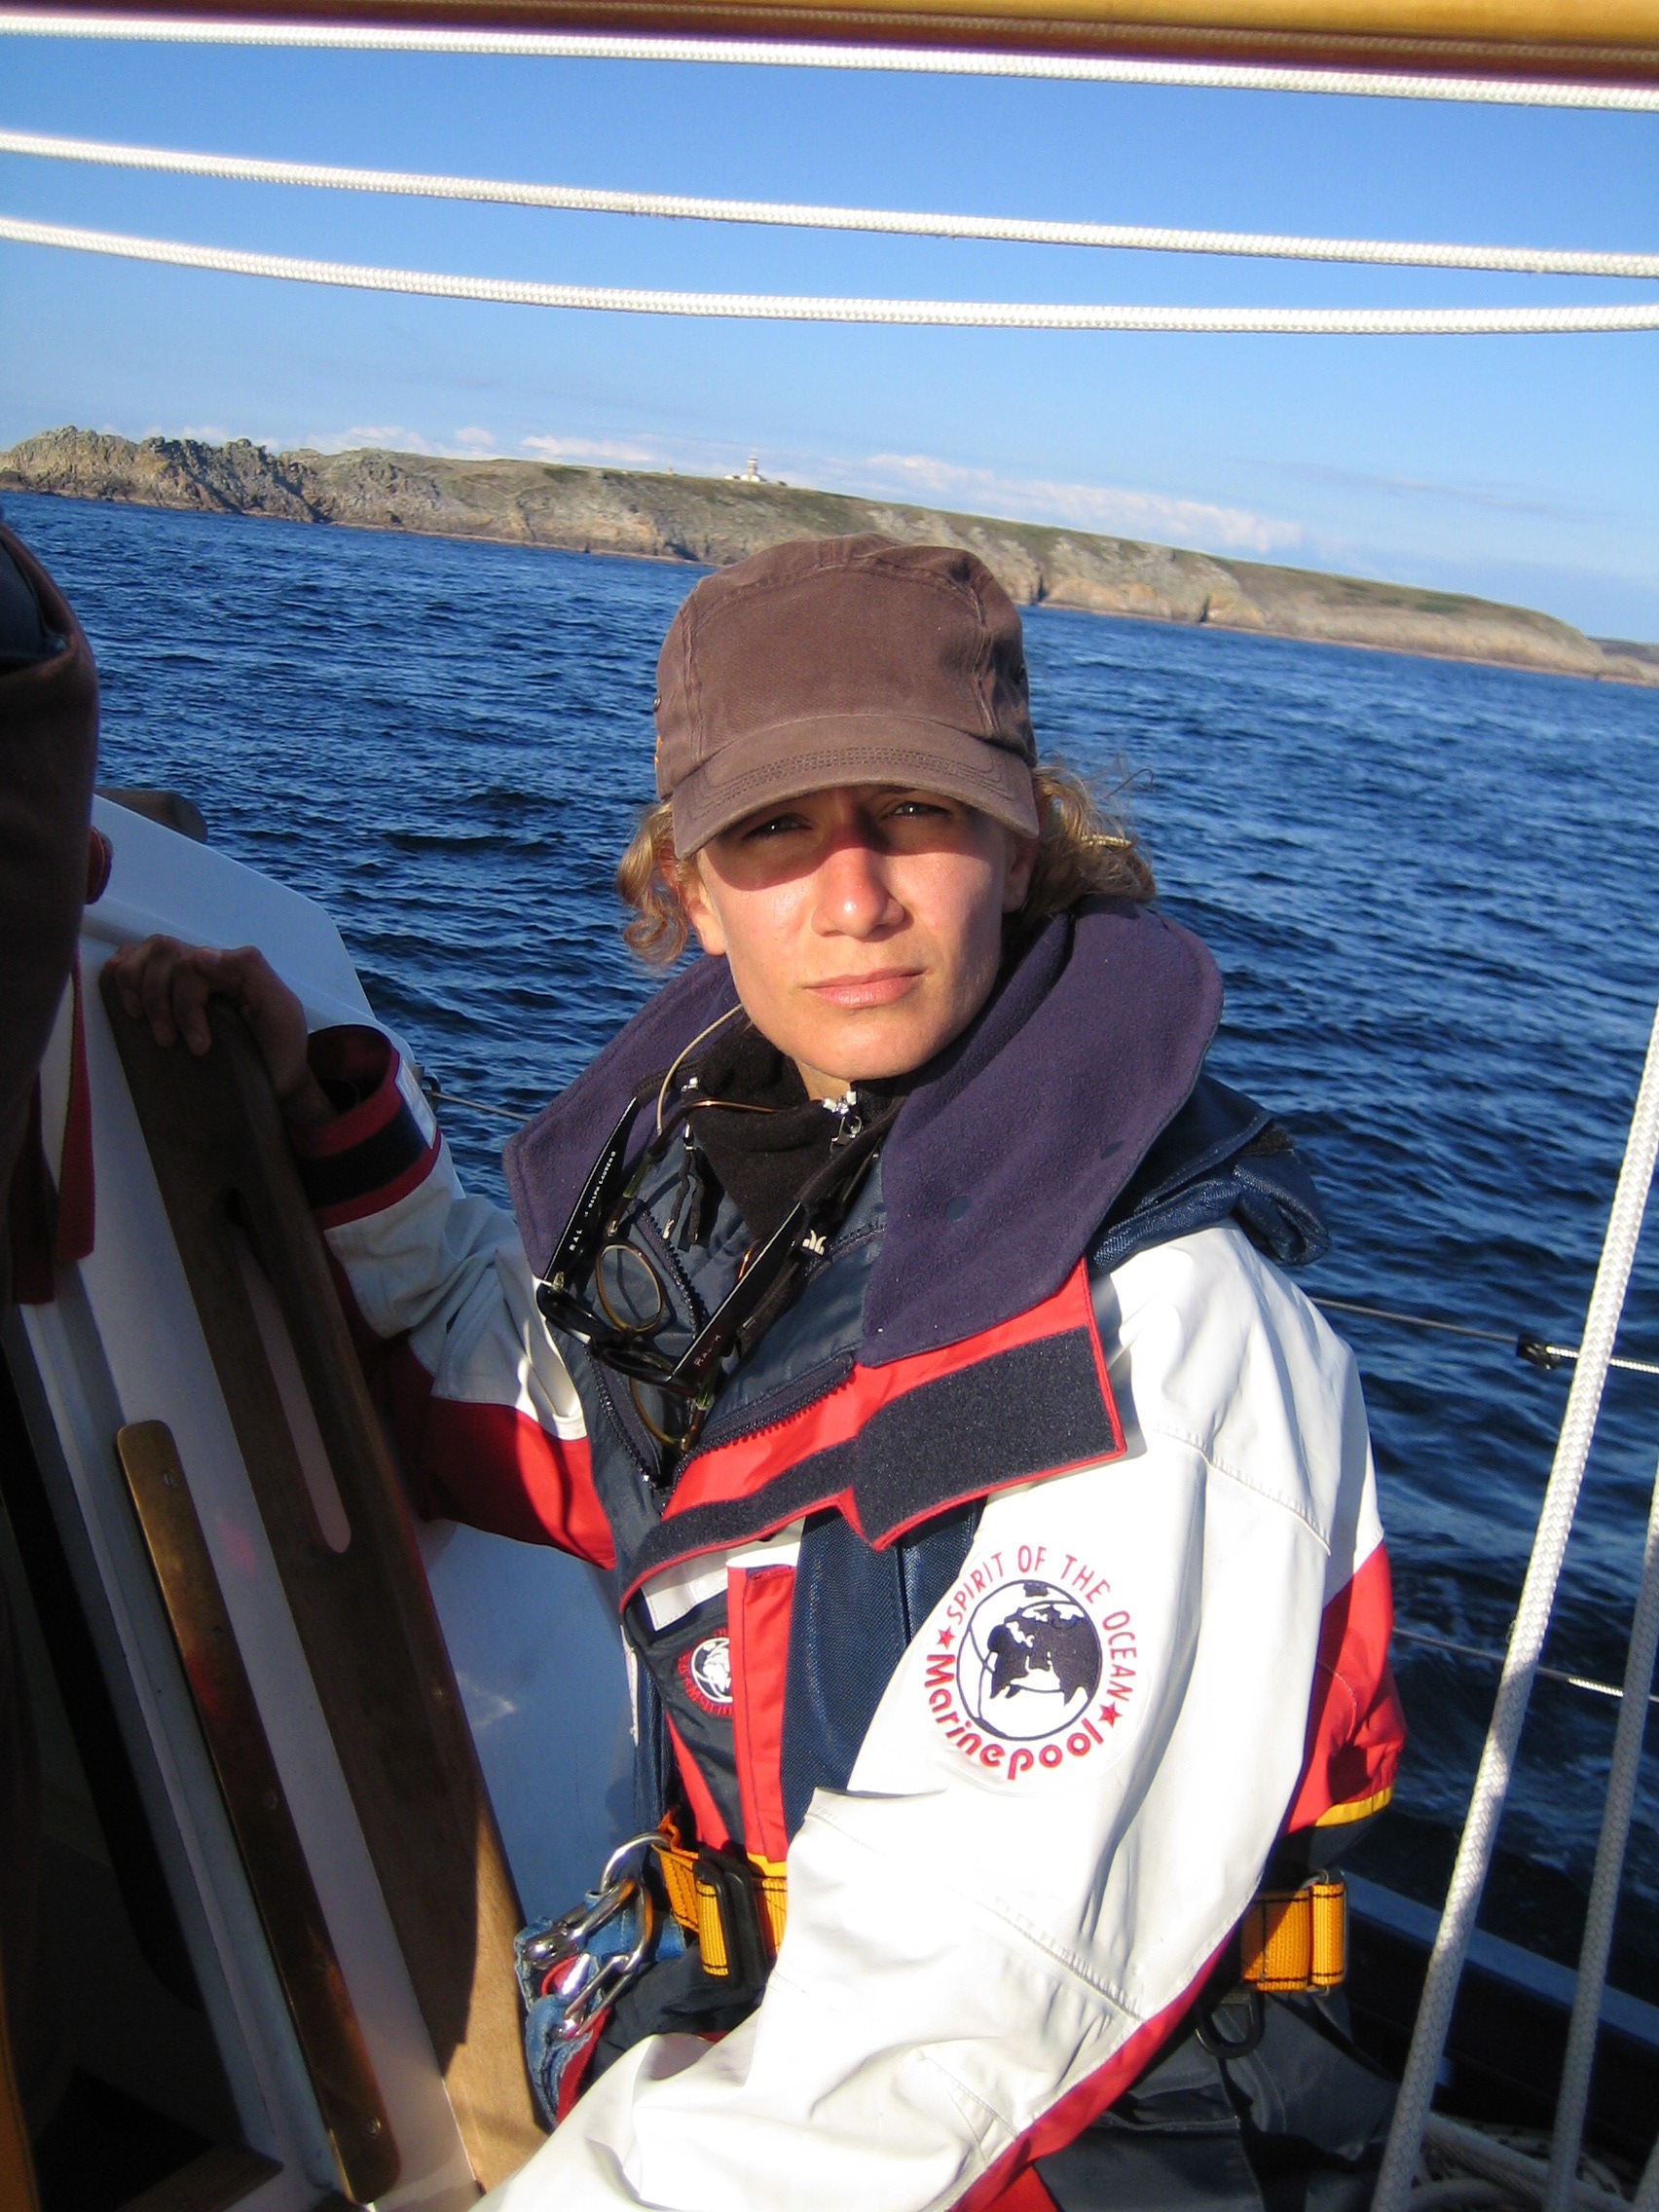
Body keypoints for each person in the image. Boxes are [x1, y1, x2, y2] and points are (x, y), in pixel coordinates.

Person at [109, 535, 1405, 2212]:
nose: (852, 899)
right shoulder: (751, 1205)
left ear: (1021, 845)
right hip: (740, 2033)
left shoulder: (1156, 1347)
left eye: (915, 815)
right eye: (775, 831)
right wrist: (337, 1133)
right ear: (692, 887)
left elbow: (954, 2027)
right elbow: (580, 1434)